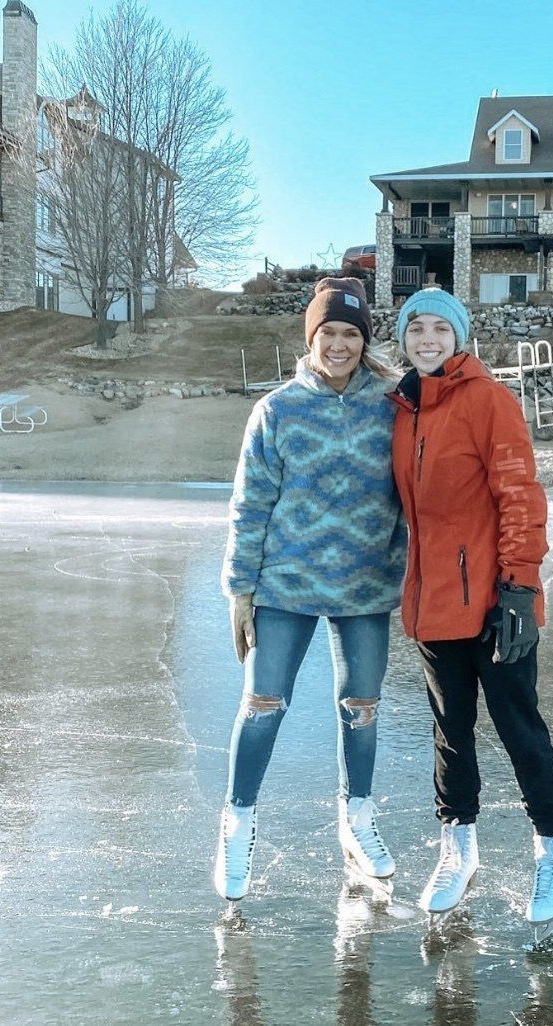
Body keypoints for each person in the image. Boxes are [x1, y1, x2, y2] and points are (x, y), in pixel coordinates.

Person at [388, 287, 553, 932]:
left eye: (441, 328)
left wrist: (521, 587)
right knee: (451, 729)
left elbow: (520, 494)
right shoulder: (402, 409)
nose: (428, 339)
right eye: (417, 329)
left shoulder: (488, 400)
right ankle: (458, 848)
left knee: (518, 725)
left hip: (496, 603)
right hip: (430, 602)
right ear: (404, 339)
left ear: (460, 338)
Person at [215, 277, 405, 901]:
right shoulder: (276, 410)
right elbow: (250, 506)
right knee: (263, 704)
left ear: (364, 339)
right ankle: (237, 823)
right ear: (311, 337)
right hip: (285, 584)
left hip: (365, 584)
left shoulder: (392, 406)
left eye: (352, 333)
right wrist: (240, 590)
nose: (341, 344)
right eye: (329, 332)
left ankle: (358, 821)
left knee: (362, 709)